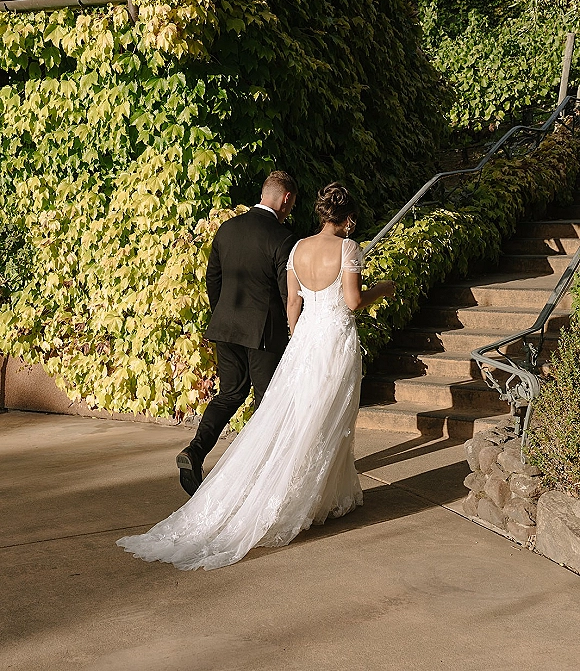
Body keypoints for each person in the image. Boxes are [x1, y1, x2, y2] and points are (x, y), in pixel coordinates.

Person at [117, 183, 394, 571]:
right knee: (322, 419)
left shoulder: (282, 244)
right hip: (317, 341)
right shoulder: (339, 246)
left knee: (268, 409)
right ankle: (297, 493)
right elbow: (348, 301)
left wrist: (295, 339)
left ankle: (216, 459)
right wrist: (384, 287)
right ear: (347, 217)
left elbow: (288, 301)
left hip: (282, 337)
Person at [176, 170, 298, 496]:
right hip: (263, 333)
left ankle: (195, 452)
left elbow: (212, 279)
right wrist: (295, 330)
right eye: (292, 203)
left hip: (225, 327)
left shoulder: (227, 230)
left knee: (230, 394)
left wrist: (223, 316)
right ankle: (256, 476)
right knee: (266, 402)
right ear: (286, 198)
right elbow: (288, 294)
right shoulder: (282, 237)